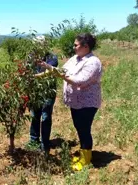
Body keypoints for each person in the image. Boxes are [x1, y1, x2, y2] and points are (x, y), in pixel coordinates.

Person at [41, 33, 102, 171]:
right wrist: (46, 67)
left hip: (87, 103)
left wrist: (60, 75)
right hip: (76, 102)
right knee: (79, 127)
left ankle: (86, 160)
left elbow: (79, 81)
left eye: (76, 45)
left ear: (85, 46)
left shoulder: (93, 62)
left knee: (84, 129)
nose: (73, 47)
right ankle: (83, 153)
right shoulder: (76, 58)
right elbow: (62, 70)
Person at [28, 35, 58, 154]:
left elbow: (47, 73)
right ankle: (33, 140)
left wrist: (32, 76)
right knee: (35, 115)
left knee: (45, 116)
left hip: (47, 92)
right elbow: (26, 70)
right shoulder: (30, 57)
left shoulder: (52, 57)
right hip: (35, 92)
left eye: (40, 45)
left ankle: (44, 144)